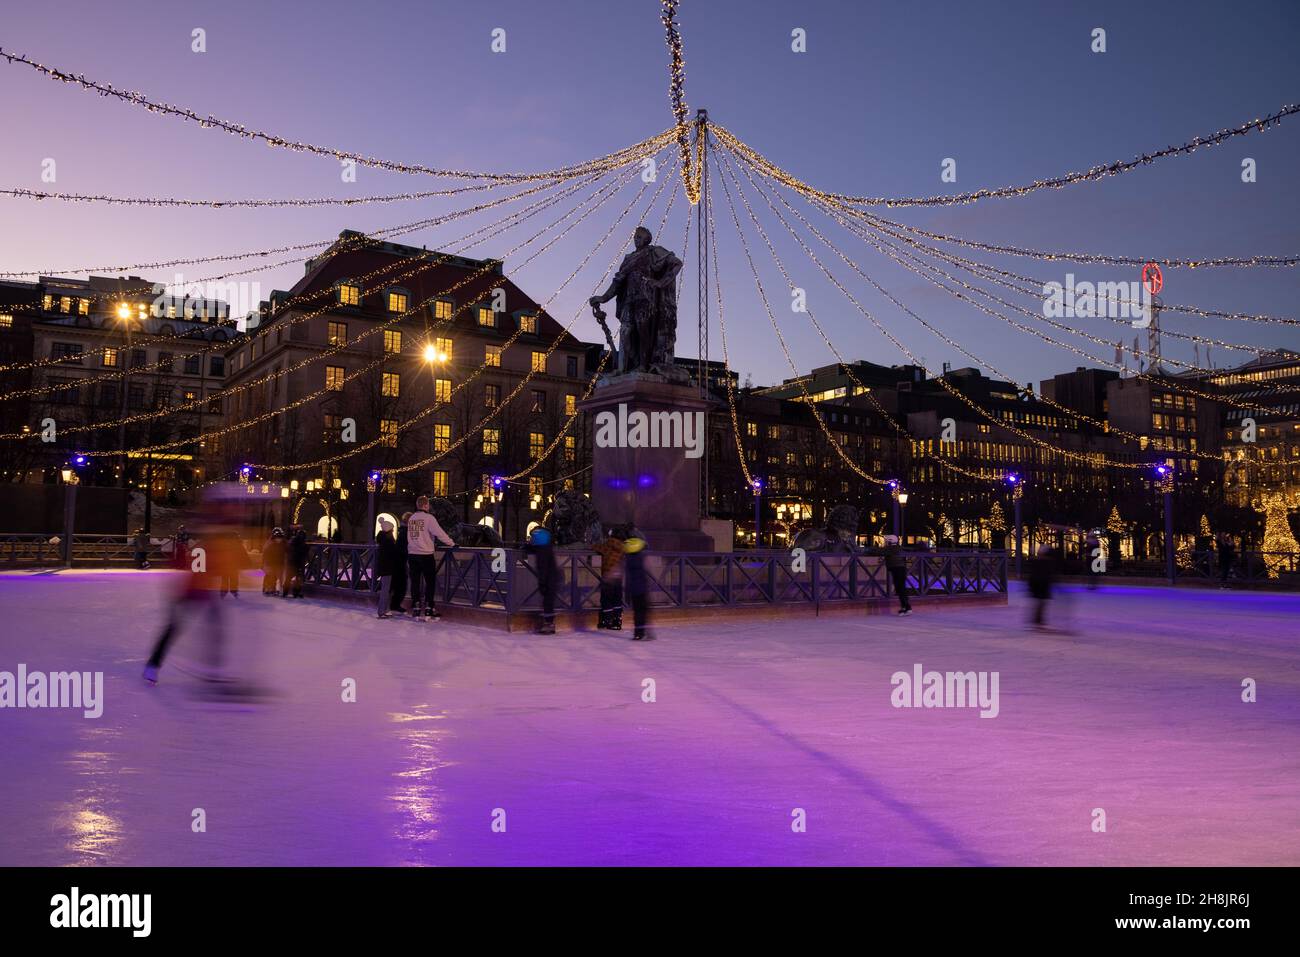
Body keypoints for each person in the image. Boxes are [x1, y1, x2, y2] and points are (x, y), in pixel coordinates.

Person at [407, 496, 455, 619]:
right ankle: (429, 607)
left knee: (415, 582)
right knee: (430, 581)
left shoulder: (411, 518)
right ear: (426, 505)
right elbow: (439, 533)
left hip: (412, 554)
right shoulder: (429, 518)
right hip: (426, 554)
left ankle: (416, 606)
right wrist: (451, 543)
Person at [524, 525, 559, 634]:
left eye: (533, 538)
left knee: (548, 601)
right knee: (548, 601)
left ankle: (549, 624)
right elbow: (533, 547)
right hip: (551, 577)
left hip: (548, 579)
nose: (531, 540)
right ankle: (549, 622)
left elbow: (543, 568)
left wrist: (542, 582)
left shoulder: (542, 552)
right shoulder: (545, 547)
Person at [593, 531, 626, 630]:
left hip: (608, 577)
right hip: (618, 577)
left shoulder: (608, 545)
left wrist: (591, 545)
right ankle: (617, 621)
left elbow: (596, 547)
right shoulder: (622, 548)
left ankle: (607, 621)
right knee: (617, 599)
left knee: (606, 599)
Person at [623, 535, 652, 640]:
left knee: (637, 612)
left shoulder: (628, 559)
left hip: (632, 589)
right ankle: (644, 632)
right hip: (642, 588)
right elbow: (647, 567)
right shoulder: (641, 558)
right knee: (643, 611)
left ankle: (637, 633)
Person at [1028, 543, 1059, 630]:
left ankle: (1038, 619)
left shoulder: (1038, 560)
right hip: (1041, 584)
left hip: (1039, 584)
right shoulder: (1046, 561)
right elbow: (1048, 574)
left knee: (1040, 602)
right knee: (1041, 602)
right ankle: (1038, 619)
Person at [374, 517, 400, 619]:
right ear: (389, 530)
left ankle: (387, 609)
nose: (393, 531)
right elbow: (393, 555)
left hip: (385, 568)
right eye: (392, 529)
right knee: (385, 590)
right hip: (387, 569)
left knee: (387, 589)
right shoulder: (388, 542)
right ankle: (381, 611)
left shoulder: (383, 541)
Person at [883, 535, 911, 616]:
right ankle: (906, 607)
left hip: (897, 570)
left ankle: (906, 608)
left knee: (900, 589)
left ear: (890, 541)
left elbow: (879, 551)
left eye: (886, 541)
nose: (885, 542)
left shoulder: (890, 549)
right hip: (901, 569)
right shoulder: (898, 547)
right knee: (901, 589)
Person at [390, 513, 410, 614]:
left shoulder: (402, 531)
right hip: (400, 562)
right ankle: (394, 605)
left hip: (397, 561)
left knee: (396, 584)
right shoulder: (406, 532)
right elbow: (404, 548)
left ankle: (393, 604)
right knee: (401, 584)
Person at [283, 526, 309, 598]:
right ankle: (295, 592)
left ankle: (285, 592)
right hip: (296, 563)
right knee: (298, 579)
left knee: (289, 578)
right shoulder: (302, 544)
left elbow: (287, 550)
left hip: (291, 563)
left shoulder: (292, 542)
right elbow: (303, 552)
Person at [261, 528, 286, 596]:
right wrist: (264, 564)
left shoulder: (283, 544)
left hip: (278, 563)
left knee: (275, 577)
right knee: (270, 576)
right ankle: (268, 589)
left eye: (280, 538)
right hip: (270, 563)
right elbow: (265, 555)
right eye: (277, 538)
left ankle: (273, 589)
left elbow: (284, 553)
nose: (279, 539)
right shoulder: (269, 544)